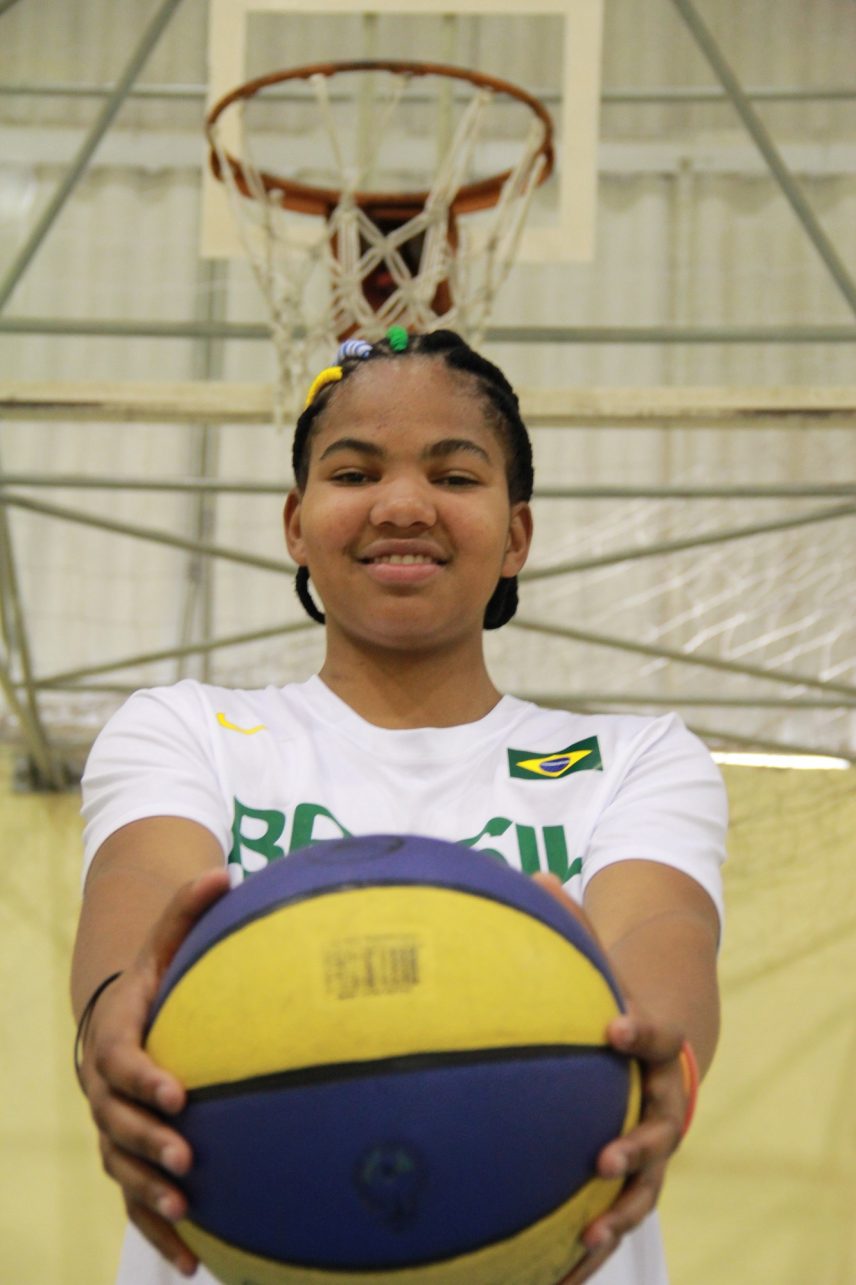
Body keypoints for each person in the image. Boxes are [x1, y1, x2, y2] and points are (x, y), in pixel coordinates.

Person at [71, 328, 726, 1285]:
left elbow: (666, 940)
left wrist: (666, 1064)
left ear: (517, 535)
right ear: (296, 524)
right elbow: (136, 898)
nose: (404, 505)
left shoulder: (637, 757)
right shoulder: (187, 729)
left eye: (455, 476)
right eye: (354, 473)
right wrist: (109, 1030)